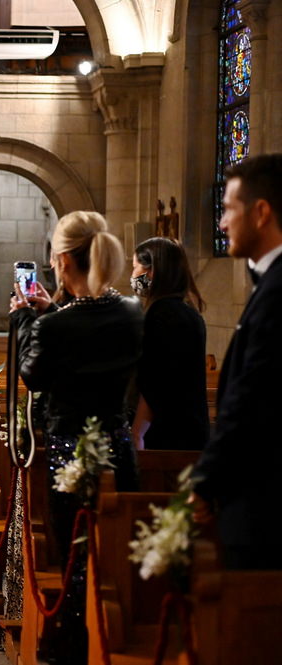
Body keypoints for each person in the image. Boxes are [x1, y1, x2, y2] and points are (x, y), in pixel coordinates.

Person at [9, 210, 142, 665]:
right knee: (112, 548)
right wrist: (50, 313)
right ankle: (111, 636)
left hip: (68, 452)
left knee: (73, 557)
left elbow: (33, 374)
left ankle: (71, 643)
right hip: (117, 446)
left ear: (63, 261)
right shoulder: (130, 312)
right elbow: (92, 329)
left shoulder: (54, 325)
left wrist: (28, 319)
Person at [190, 153, 282, 570]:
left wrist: (206, 482)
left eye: (228, 210)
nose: (222, 223)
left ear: (261, 213)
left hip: (263, 512)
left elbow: (251, 396)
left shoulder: (278, 290)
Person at [130, 237, 208, 451]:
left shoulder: (160, 314)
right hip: (192, 430)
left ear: (152, 272)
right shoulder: (190, 313)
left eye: (136, 267)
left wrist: (137, 432)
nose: (133, 275)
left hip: (165, 435)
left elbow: (155, 381)